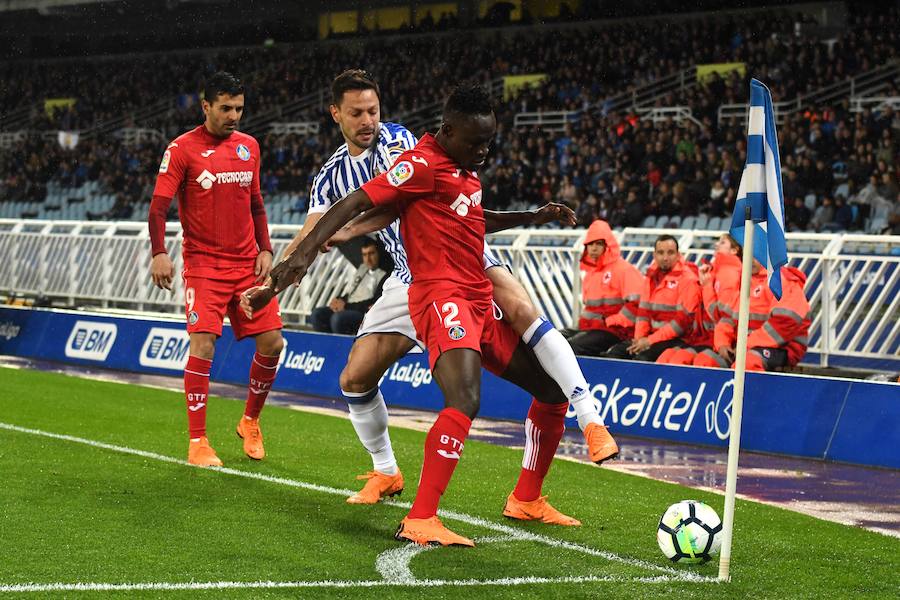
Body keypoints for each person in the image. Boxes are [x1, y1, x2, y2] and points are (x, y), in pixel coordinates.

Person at [245, 84, 594, 547]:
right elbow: (337, 217)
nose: (368, 120)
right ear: (337, 114)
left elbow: (448, 204)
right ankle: (388, 472)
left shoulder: (405, 144)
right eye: (357, 113)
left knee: (518, 314)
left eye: (373, 109)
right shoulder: (334, 174)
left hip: (459, 273)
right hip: (416, 282)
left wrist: (530, 216)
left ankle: (576, 434)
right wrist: (283, 274)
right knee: (355, 379)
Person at [148, 71, 284, 467]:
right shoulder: (182, 149)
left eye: (239, 108)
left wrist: (266, 249)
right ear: (206, 106)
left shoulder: (249, 147)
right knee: (204, 344)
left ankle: (250, 420)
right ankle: (198, 442)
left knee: (273, 343)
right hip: (204, 266)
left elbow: (256, 203)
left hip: (247, 265)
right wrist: (160, 252)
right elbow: (158, 207)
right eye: (226, 108)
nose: (234, 116)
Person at [606, 234, 701, 362]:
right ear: (654, 255)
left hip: (679, 339)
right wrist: (639, 339)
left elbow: (682, 324)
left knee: (642, 359)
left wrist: (649, 341)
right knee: (615, 353)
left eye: (670, 253)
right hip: (653, 337)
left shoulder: (688, 280)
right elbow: (643, 314)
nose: (665, 258)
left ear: (678, 255)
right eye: (661, 253)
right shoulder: (650, 277)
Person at [657, 233, 740, 366]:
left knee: (680, 360)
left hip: (717, 339)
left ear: (734, 250)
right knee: (666, 357)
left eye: (723, 242)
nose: (716, 244)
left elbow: (719, 316)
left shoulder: (730, 274)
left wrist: (706, 286)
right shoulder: (714, 271)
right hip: (702, 336)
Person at [564, 219, 643, 356]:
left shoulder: (624, 270)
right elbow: (590, 310)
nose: (593, 248)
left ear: (608, 245)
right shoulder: (590, 274)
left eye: (598, 243)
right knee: (552, 341)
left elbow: (635, 306)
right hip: (593, 329)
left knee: (571, 347)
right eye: (590, 244)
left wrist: (610, 322)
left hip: (615, 331)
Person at [309, 239, 386, 334]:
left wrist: (346, 306)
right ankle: (327, 346)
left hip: (363, 312)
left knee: (338, 318)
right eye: (364, 255)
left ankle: (341, 347)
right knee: (317, 314)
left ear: (378, 254)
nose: (368, 259)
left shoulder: (384, 275)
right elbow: (351, 293)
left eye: (371, 253)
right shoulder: (362, 269)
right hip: (349, 307)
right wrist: (339, 300)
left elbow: (373, 302)